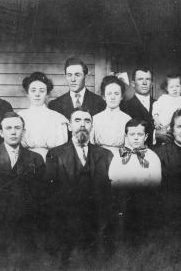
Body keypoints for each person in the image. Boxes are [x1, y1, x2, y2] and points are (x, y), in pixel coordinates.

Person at [0, 112, 45, 269]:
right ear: (1, 132)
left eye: (18, 128)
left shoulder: (36, 159)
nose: (13, 132)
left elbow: (40, 197)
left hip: (26, 227)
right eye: (9, 128)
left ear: (23, 131)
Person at [45, 107, 113, 267]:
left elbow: (108, 193)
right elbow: (50, 193)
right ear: (69, 126)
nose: (82, 125)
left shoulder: (105, 154)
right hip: (66, 221)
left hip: (96, 221)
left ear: (92, 126)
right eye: (77, 120)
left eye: (87, 121)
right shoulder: (55, 154)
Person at [108, 119, 162, 244]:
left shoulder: (152, 157)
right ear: (126, 136)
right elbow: (113, 180)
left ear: (146, 136)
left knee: (143, 237)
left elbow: (156, 183)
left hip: (145, 203)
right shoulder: (119, 156)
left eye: (140, 134)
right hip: (123, 203)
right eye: (132, 135)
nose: (136, 138)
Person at [18, 72, 68, 161]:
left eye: (41, 91)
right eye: (33, 90)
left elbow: (62, 150)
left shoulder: (58, 118)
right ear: (27, 93)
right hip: (24, 163)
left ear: (47, 94)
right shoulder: (19, 117)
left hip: (51, 163)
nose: (37, 94)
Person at [90, 75, 131, 153]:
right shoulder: (95, 119)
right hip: (99, 157)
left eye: (116, 94)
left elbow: (129, 145)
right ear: (103, 96)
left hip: (120, 158)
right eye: (109, 94)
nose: (113, 97)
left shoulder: (127, 119)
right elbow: (91, 143)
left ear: (122, 96)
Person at [120, 66, 157, 147]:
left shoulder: (159, 104)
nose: (144, 83)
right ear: (133, 84)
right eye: (140, 79)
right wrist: (155, 134)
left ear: (152, 84)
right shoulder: (125, 106)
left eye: (147, 79)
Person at [152, 74, 181, 142]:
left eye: (177, 86)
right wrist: (156, 119)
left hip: (179, 128)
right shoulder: (163, 98)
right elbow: (156, 108)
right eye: (171, 87)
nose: (175, 89)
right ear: (167, 88)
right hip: (163, 128)